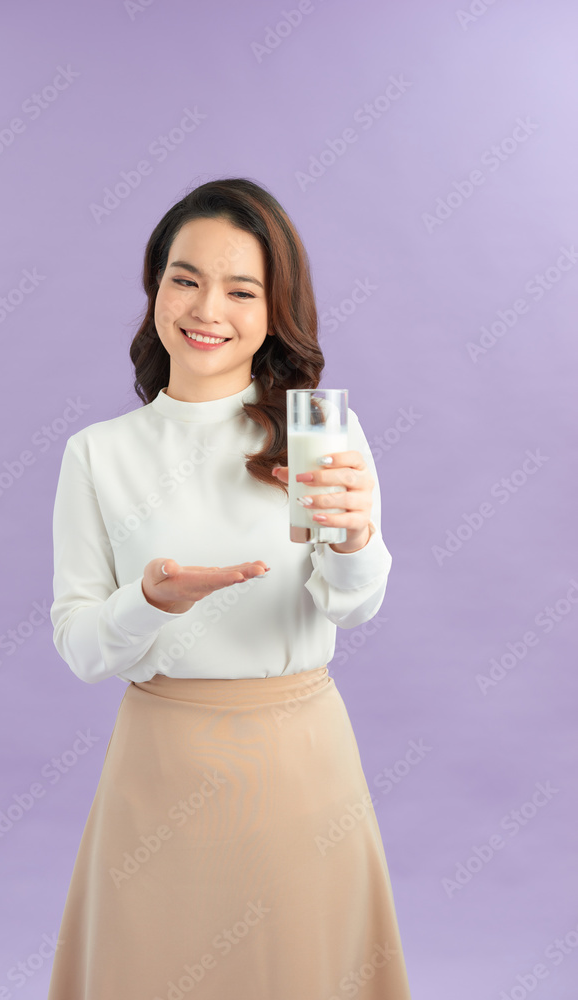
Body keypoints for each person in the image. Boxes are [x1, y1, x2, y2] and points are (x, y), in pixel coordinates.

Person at [46, 177, 413, 999]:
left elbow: (353, 604)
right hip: (157, 767)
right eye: (185, 278)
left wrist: (356, 539)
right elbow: (79, 645)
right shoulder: (97, 455)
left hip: (296, 764)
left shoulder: (317, 431)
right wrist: (150, 600)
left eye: (241, 289)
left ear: (274, 308)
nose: (206, 307)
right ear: (154, 289)